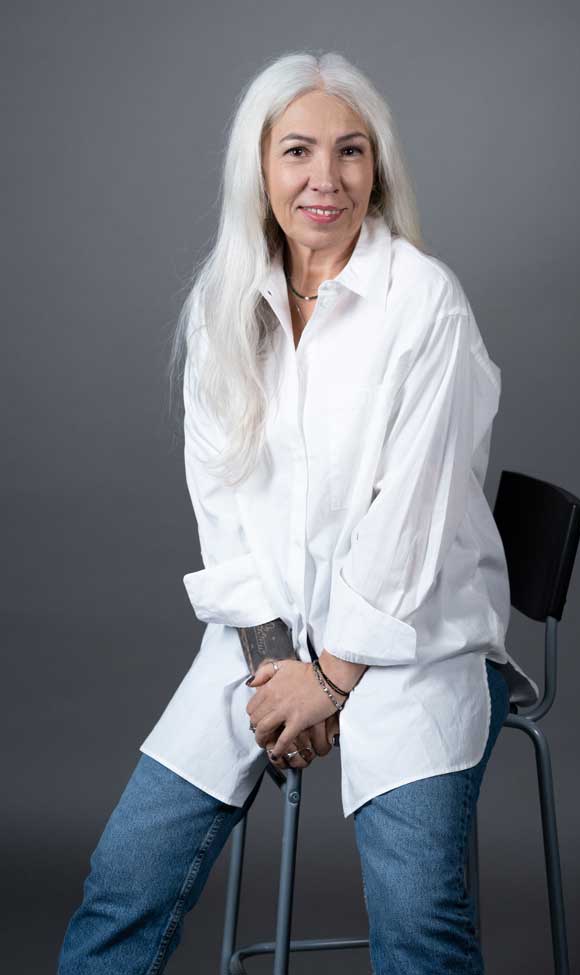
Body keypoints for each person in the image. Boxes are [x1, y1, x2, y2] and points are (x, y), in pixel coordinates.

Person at [57, 50, 540, 975]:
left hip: (412, 643)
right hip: (263, 646)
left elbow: (413, 519)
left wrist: (334, 676)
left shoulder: (424, 303)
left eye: (351, 152)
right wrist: (280, 662)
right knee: (122, 883)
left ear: (378, 169)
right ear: (260, 168)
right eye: (298, 152)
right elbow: (222, 508)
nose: (326, 179)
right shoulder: (224, 306)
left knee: (420, 925)